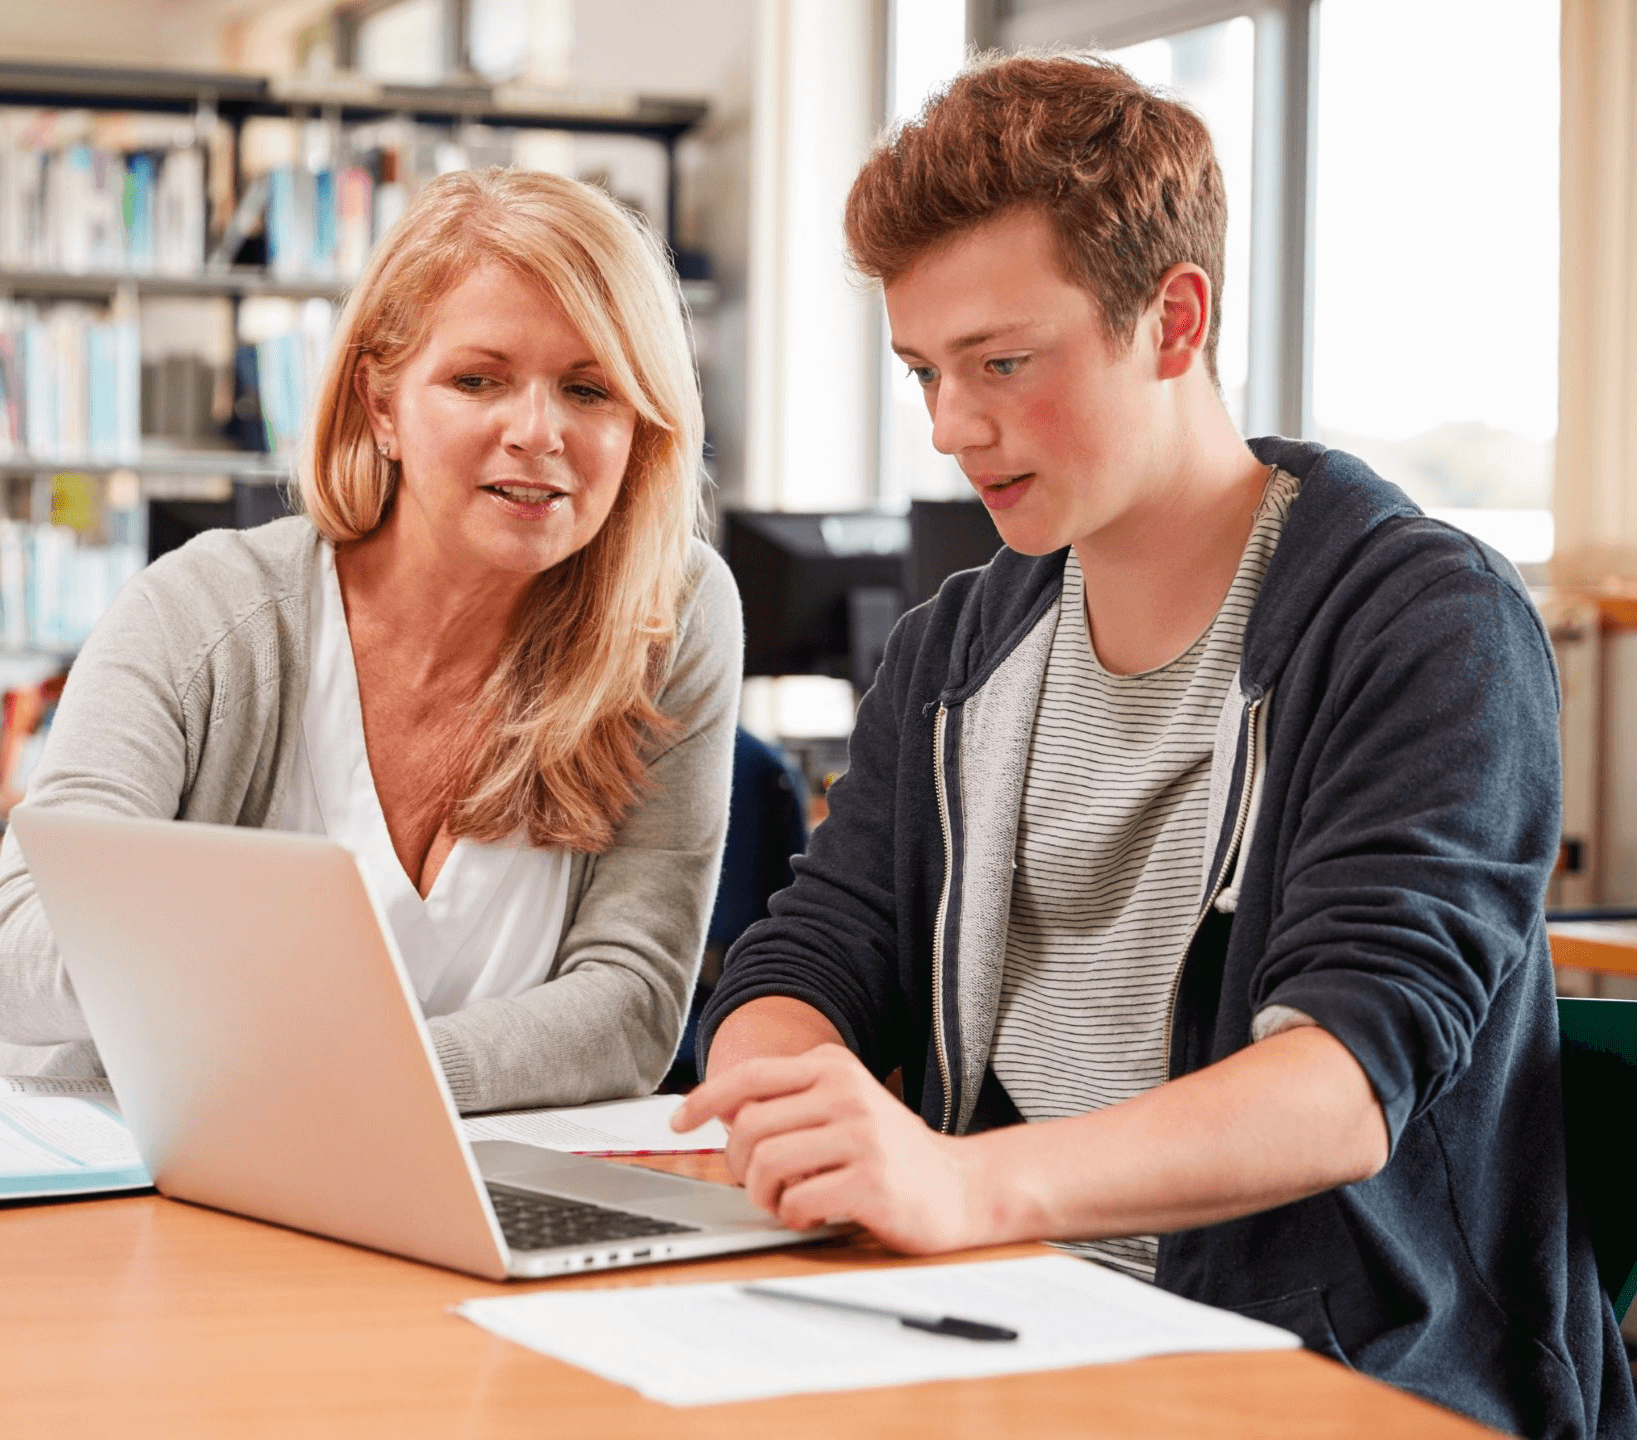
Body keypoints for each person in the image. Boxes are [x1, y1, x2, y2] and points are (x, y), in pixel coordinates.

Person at [675, 52, 1633, 1439]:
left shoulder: (1424, 626)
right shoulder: (956, 651)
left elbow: (1341, 1086)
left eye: (1003, 362)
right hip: (1006, 1327)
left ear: (1173, 320)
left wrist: (966, 1184)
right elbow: (813, 950)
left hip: (1335, 1383)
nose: (954, 429)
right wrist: (781, 1077)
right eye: (924, 373)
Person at [0, 168, 741, 1115]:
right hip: (116, 1173)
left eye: (589, 389)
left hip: (436, 1192)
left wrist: (377, 1078)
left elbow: (632, 1002)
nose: (539, 432)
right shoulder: (205, 612)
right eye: (477, 380)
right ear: (382, 405)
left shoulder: (672, 614)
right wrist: (287, 986)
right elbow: (11, 954)